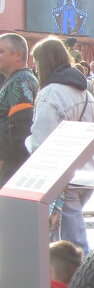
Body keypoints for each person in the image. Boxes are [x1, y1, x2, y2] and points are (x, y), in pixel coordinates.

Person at [27, 37, 94, 256]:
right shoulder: (86, 93)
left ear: (45, 62)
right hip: (88, 173)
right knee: (73, 236)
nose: (34, 66)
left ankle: (79, 284)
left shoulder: (49, 94)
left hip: (63, 177)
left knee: (70, 244)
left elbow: (40, 143)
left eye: (35, 61)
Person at [0, 32, 40, 186]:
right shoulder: (15, 79)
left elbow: (19, 130)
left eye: (1, 51)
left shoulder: (21, 81)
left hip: (12, 167)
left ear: (18, 55)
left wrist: (3, 160)